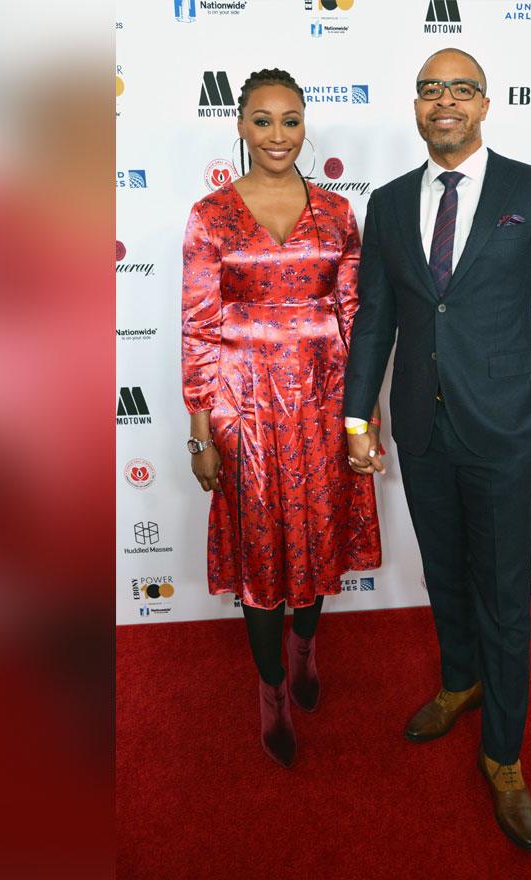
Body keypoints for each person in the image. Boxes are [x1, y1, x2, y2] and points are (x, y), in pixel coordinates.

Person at [343, 48, 531, 849]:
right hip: (420, 422)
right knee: (443, 571)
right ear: (415, 107)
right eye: (428, 89)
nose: (442, 101)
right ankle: (459, 683)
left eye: (459, 88)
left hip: (505, 429)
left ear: (485, 103)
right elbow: (376, 319)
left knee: (503, 596)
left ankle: (505, 755)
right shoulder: (384, 205)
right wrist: (357, 418)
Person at [181, 68, 382, 768]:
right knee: (261, 563)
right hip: (246, 416)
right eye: (262, 120)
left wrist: (363, 423)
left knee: (318, 546)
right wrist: (200, 433)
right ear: (239, 125)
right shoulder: (210, 216)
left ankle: (305, 653)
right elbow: (199, 327)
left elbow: (356, 321)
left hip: (325, 408)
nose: (277, 134)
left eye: (290, 120)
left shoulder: (336, 213)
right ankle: (272, 696)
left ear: (305, 127)